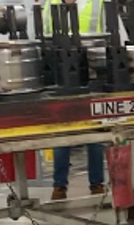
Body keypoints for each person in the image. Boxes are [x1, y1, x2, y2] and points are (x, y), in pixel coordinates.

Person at [43, 0, 106, 200]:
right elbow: (44, 40)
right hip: (62, 77)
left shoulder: (96, 4)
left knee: (94, 136)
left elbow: (114, 36)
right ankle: (59, 186)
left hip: (91, 74)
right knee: (63, 136)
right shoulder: (49, 5)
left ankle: (97, 184)